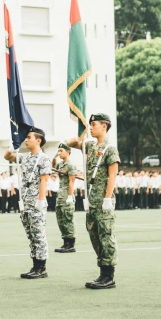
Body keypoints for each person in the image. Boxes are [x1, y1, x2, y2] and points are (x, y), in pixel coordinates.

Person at [68, 113, 119, 290]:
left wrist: (107, 199)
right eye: (89, 124)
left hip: (103, 201)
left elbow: (113, 175)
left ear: (104, 126)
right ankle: (102, 272)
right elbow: (69, 144)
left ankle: (108, 276)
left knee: (106, 236)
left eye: (94, 124)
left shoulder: (110, 148)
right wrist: (80, 133)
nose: (91, 127)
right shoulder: (90, 146)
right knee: (94, 235)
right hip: (91, 200)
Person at [4, 126, 50, 279]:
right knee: (30, 234)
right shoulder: (25, 156)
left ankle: (41, 267)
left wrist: (41, 200)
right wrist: (13, 146)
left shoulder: (44, 158)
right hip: (25, 201)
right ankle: (35, 264)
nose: (26, 139)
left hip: (36, 201)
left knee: (39, 234)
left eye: (29, 137)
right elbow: (7, 156)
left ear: (38, 140)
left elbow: (44, 180)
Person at [52, 142, 77, 253]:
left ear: (68, 152)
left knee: (67, 219)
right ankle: (65, 242)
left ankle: (71, 244)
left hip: (67, 195)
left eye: (61, 151)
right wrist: (54, 156)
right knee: (60, 220)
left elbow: (72, 181)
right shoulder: (61, 164)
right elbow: (53, 166)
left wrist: (70, 196)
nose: (59, 153)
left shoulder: (71, 165)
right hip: (60, 195)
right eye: (58, 151)